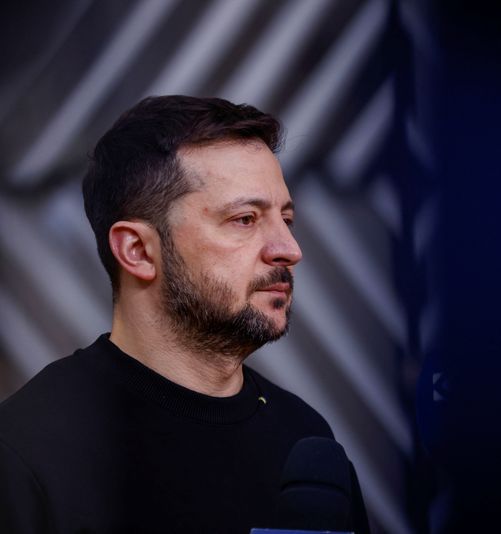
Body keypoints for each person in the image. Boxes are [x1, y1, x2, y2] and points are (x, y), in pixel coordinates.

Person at [0, 95, 370, 533]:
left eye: (286, 219)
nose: (289, 250)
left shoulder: (304, 442)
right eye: (246, 219)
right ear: (137, 250)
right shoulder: (27, 451)